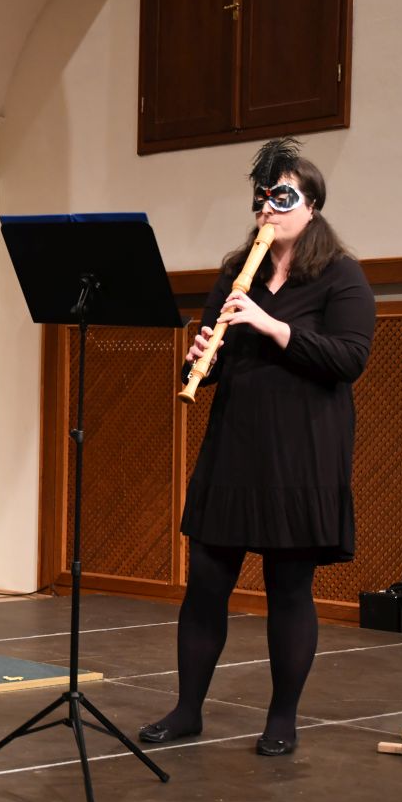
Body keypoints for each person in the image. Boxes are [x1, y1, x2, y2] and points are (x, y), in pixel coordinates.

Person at [139, 137, 375, 757]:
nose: (269, 206)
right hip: (234, 448)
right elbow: (216, 363)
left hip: (301, 455)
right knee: (205, 583)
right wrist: (200, 356)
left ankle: (281, 719)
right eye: (262, 196)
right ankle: (187, 710)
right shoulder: (235, 273)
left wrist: (272, 326)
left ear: (313, 204)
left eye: (283, 196)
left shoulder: (340, 275)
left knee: (288, 589)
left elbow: (349, 359)